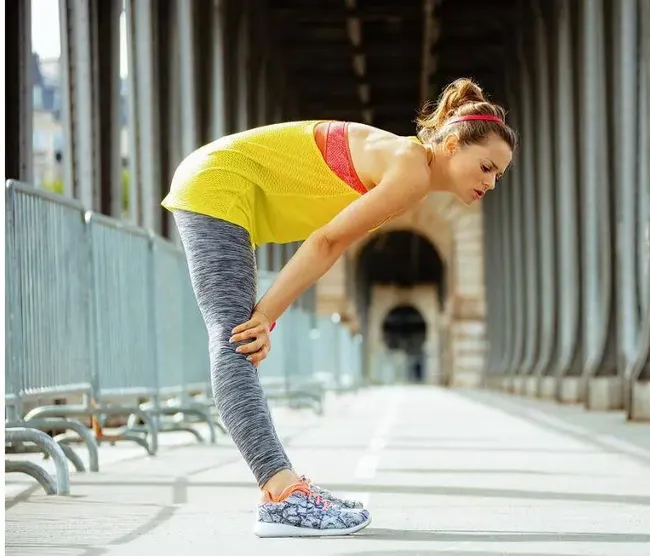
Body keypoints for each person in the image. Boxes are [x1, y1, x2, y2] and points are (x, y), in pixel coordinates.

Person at [160, 77, 517, 538]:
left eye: (499, 175)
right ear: (451, 143)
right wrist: (267, 314)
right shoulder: (409, 169)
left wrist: (269, 311)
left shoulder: (408, 166)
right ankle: (281, 493)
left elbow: (328, 240)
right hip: (220, 185)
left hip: (225, 186)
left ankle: (281, 489)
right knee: (236, 337)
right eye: (487, 166)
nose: (491, 182)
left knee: (238, 335)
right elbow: (327, 242)